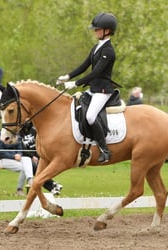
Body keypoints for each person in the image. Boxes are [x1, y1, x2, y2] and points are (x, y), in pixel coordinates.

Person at [57, 12, 118, 163]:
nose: (95, 31)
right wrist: (68, 76)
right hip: (93, 89)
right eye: (95, 29)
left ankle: (104, 150)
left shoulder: (109, 51)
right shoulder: (96, 47)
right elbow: (85, 66)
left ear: (108, 30)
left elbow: (97, 72)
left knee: (90, 116)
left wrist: (76, 84)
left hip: (103, 90)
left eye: (98, 29)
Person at [19, 121, 63, 195]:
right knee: (35, 168)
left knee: (38, 169)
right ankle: (52, 185)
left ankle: (53, 187)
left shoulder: (34, 131)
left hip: (36, 156)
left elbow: (39, 145)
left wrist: (37, 156)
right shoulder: (20, 134)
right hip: (26, 157)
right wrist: (32, 157)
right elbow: (23, 150)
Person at [0, 129, 34, 196]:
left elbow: (19, 147)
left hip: (16, 158)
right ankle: (19, 190)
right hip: (3, 159)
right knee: (24, 168)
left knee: (27, 159)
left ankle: (30, 180)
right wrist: (13, 156)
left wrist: (19, 154)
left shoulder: (15, 135)